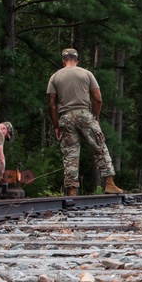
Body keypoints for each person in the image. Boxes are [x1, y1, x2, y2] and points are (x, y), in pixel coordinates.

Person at [46, 48, 123, 196]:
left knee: (70, 154)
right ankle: (109, 183)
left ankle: (72, 190)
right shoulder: (87, 74)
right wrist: (95, 116)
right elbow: (98, 98)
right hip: (84, 114)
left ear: (63, 60)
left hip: (65, 118)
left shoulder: (54, 77)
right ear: (77, 60)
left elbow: (51, 104)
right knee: (99, 147)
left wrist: (56, 125)